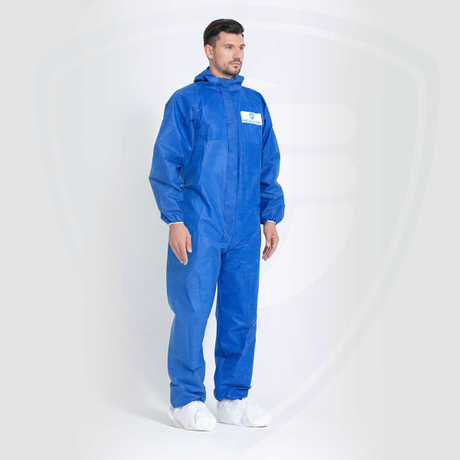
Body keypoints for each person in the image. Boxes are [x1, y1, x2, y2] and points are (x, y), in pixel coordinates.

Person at [149, 19, 285, 431]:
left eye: (241, 47)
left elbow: (267, 165)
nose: (237, 55)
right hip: (200, 224)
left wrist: (270, 216)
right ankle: (186, 399)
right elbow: (166, 164)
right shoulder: (187, 101)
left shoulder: (255, 103)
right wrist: (175, 219)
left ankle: (232, 397)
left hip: (244, 228)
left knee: (240, 312)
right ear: (209, 51)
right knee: (192, 310)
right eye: (228, 47)